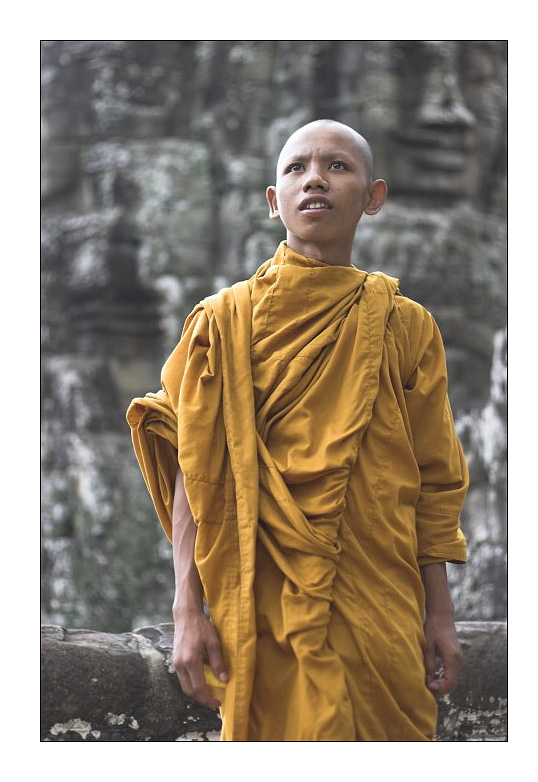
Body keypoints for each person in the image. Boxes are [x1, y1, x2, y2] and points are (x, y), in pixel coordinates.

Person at [126, 119, 468, 741]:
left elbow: (435, 480)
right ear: (273, 200)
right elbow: (192, 471)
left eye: (337, 166)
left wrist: (439, 613)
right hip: (259, 607)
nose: (315, 178)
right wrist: (186, 608)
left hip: (381, 606)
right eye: (296, 169)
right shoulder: (223, 324)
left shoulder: (406, 326)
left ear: (374, 196)